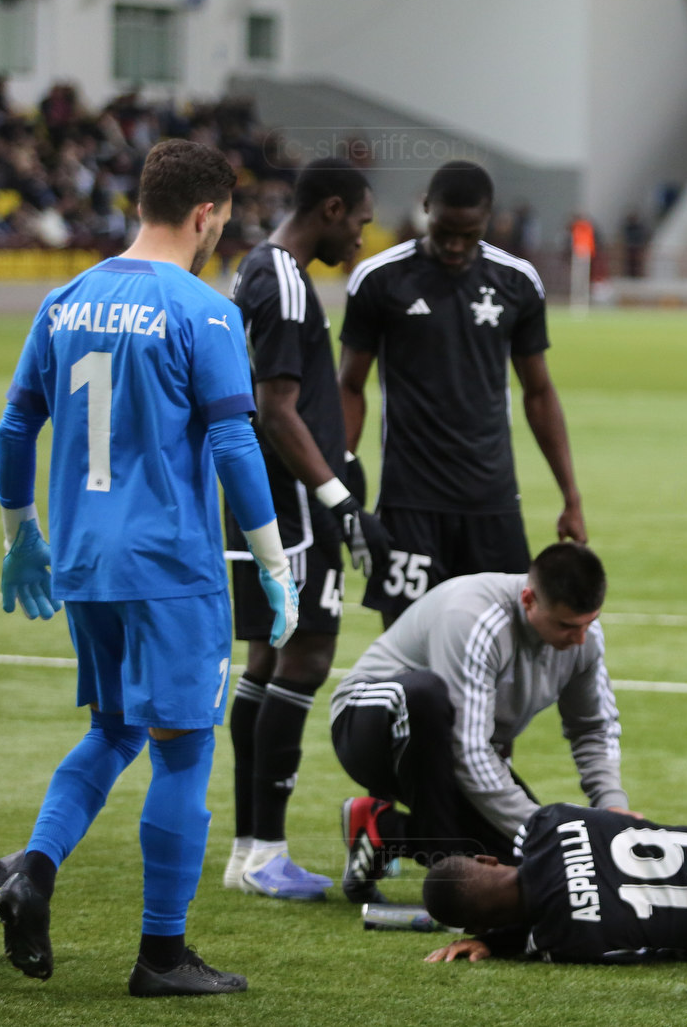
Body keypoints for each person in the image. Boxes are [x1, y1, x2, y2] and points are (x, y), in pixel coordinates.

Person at [0, 138, 298, 996]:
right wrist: (273, 562)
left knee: (115, 729)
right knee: (184, 753)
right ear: (206, 214)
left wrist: (21, 537)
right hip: (169, 565)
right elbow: (235, 441)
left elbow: (15, 428)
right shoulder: (204, 310)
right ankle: (162, 957)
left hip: (82, 559)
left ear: (140, 204)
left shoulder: (65, 299)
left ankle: (33, 873)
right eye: (222, 221)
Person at [222, 157, 388, 901]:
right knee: (306, 653)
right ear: (331, 208)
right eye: (359, 222)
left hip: (261, 496)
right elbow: (277, 408)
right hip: (288, 504)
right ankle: (265, 853)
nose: (360, 237)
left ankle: (249, 851)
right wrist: (339, 501)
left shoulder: (258, 269)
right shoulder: (285, 282)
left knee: (266, 658)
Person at [337, 160, 586, 627]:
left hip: (491, 500)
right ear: (425, 209)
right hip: (409, 501)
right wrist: (339, 479)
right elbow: (349, 385)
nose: (454, 245)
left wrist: (570, 496)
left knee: (505, 641)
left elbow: (538, 392)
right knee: (406, 643)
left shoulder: (516, 281)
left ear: (489, 219)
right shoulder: (380, 279)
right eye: (444, 231)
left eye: (468, 234)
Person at [330, 543, 629, 904]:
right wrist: (545, 828)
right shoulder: (472, 616)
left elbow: (593, 728)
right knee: (425, 696)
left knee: (528, 863)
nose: (580, 638)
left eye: (589, 623)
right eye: (566, 626)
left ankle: (382, 831)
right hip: (366, 727)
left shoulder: (585, 638)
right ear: (529, 600)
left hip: (448, 749)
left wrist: (612, 806)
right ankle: (448, 880)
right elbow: (467, 751)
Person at [419, 803, 687, 964]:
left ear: (479, 926)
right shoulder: (548, 822)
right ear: (487, 860)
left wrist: (495, 943)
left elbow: (650, 952)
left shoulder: (563, 941)